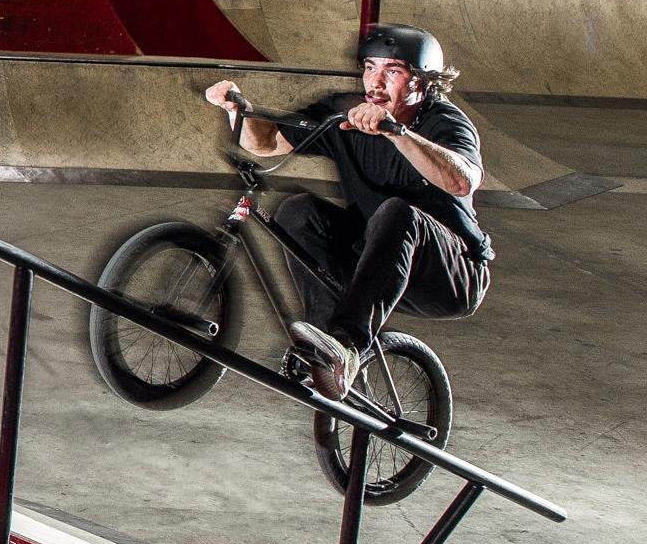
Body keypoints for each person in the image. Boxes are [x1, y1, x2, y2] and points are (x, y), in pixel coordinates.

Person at [204, 24, 493, 401]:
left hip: (449, 275)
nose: (376, 82)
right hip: (375, 261)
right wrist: (238, 109)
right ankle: (328, 356)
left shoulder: (445, 122)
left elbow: (463, 181)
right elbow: (268, 142)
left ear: (423, 82)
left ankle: (349, 345)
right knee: (297, 211)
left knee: (398, 213)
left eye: (393, 72)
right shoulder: (346, 112)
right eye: (370, 68)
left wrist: (397, 134)